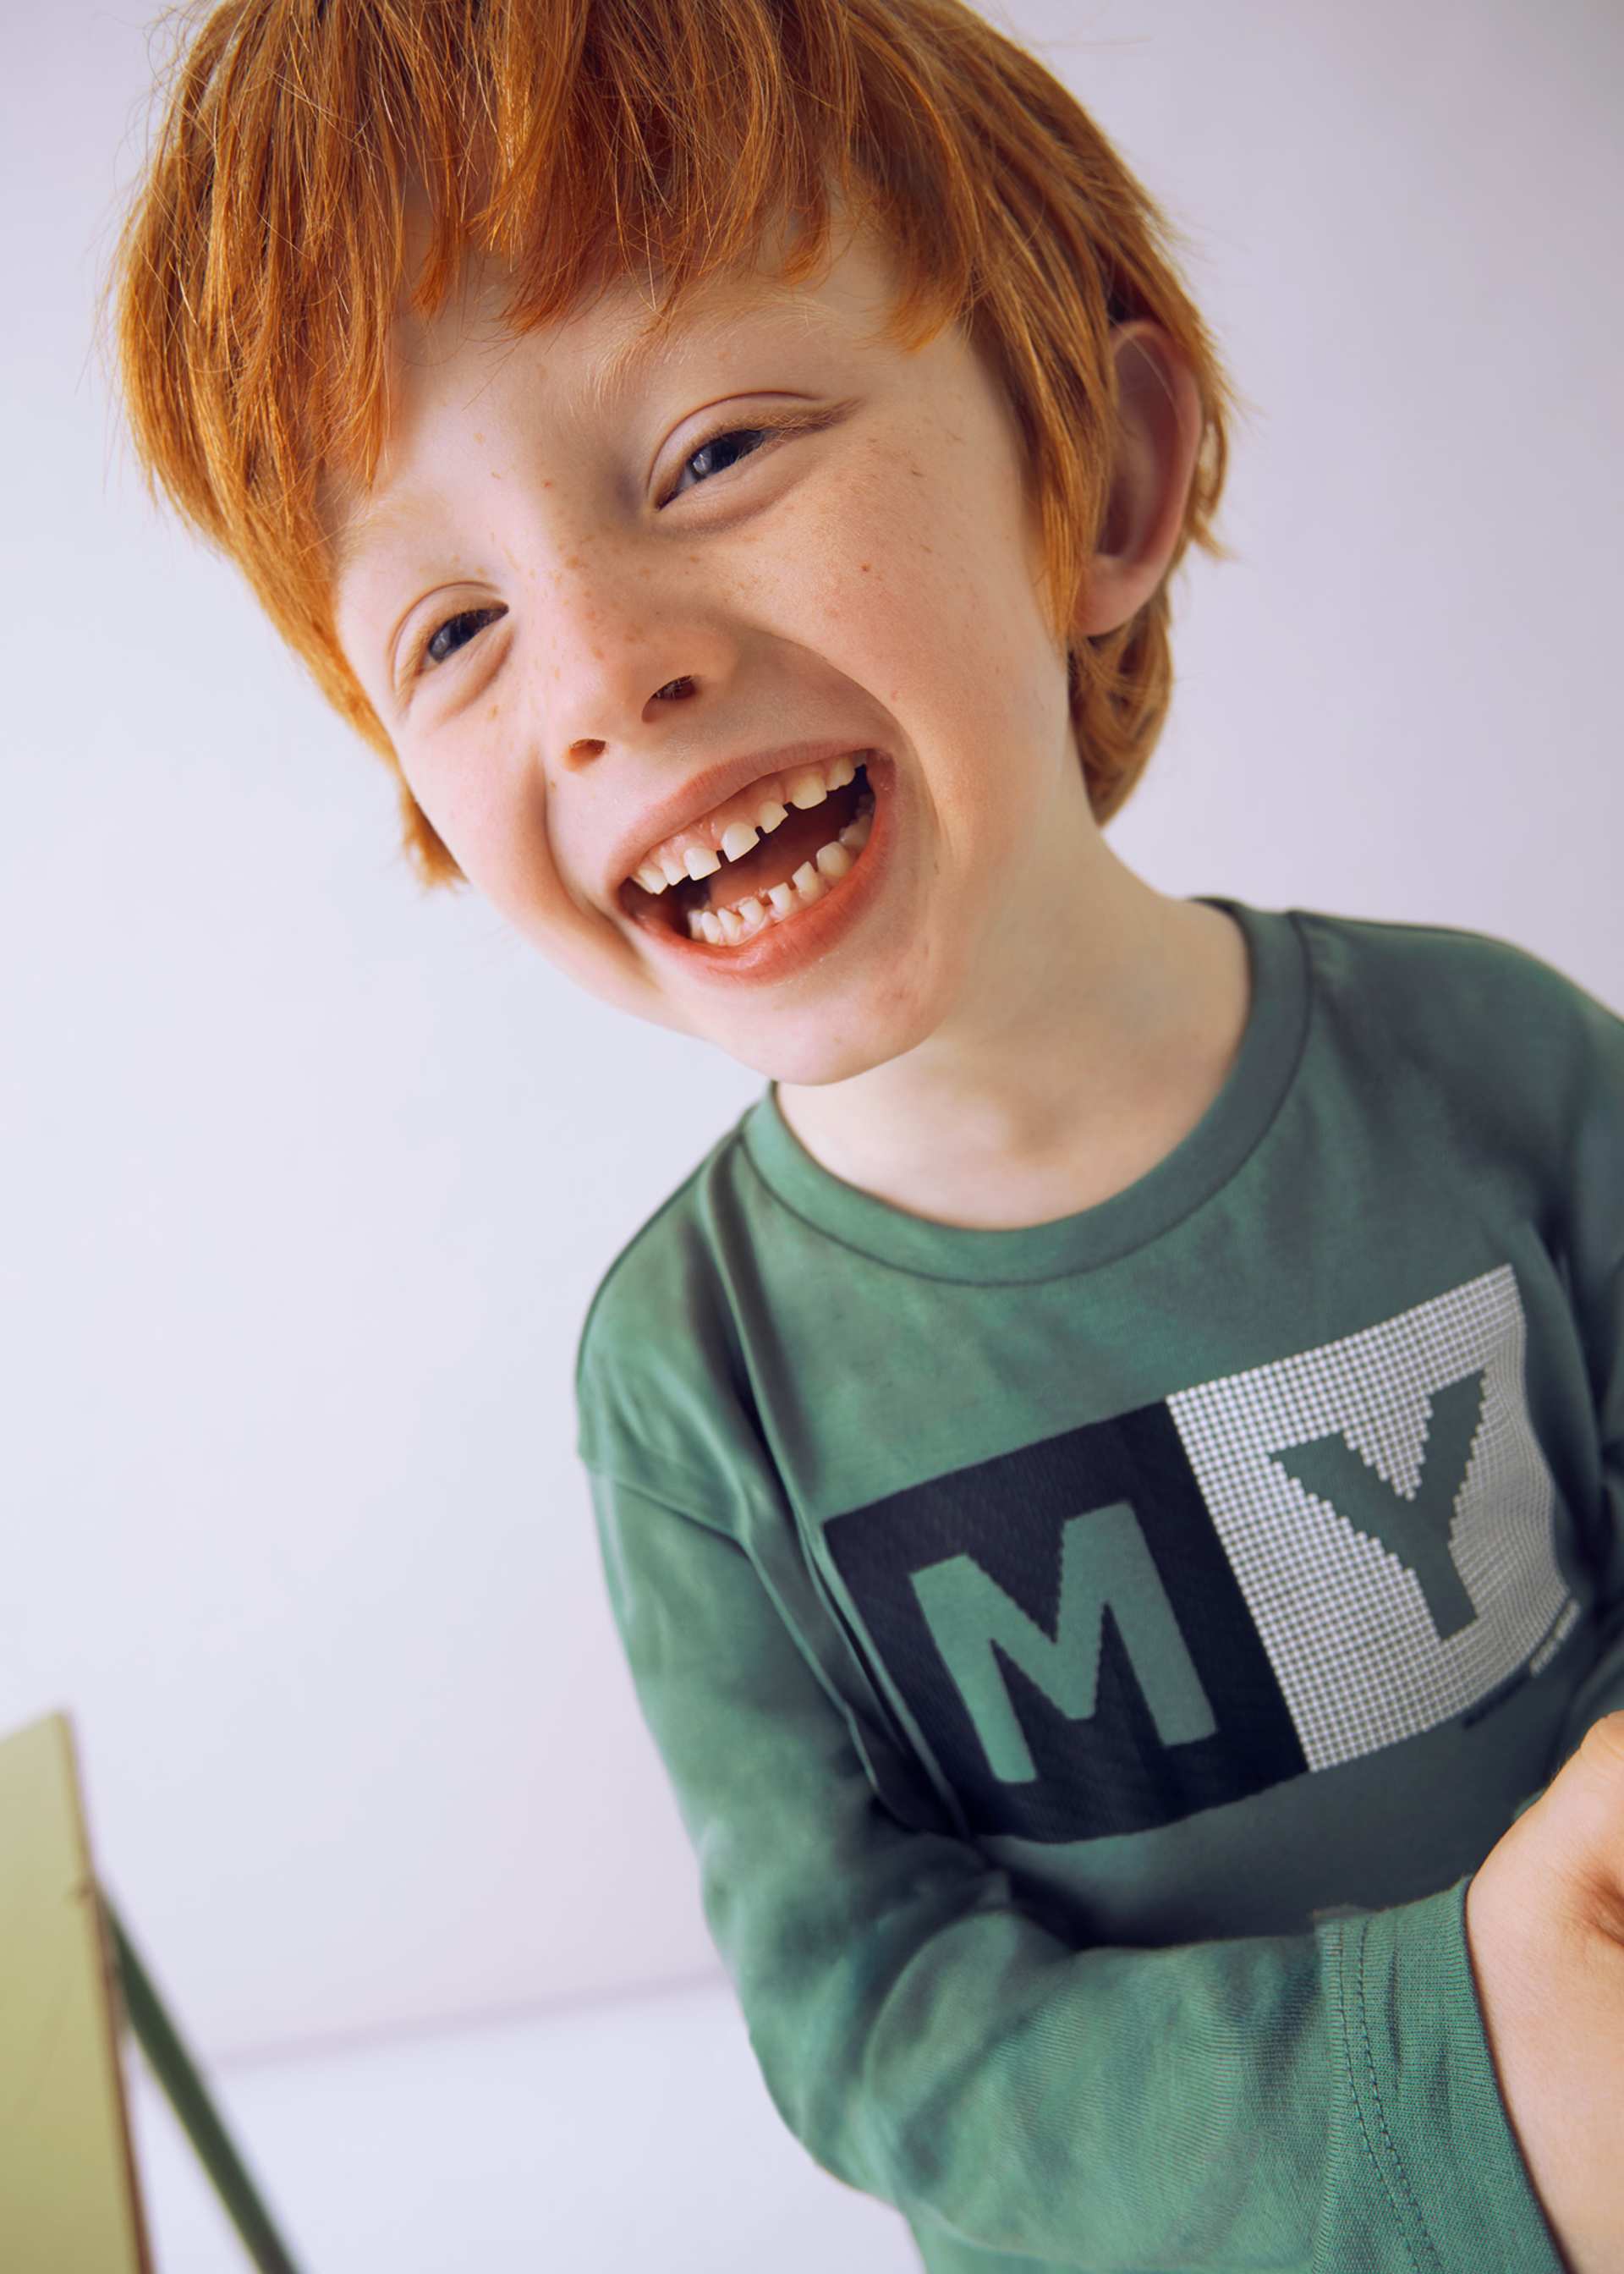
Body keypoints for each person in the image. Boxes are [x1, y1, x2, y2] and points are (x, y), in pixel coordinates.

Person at [102, 3, 1622, 2268]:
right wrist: (1470, 2073)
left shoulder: (1498, 1066)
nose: (602, 671)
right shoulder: (689, 1390)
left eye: (713, 449)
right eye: (454, 627)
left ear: (1096, 475)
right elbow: (883, 2025)